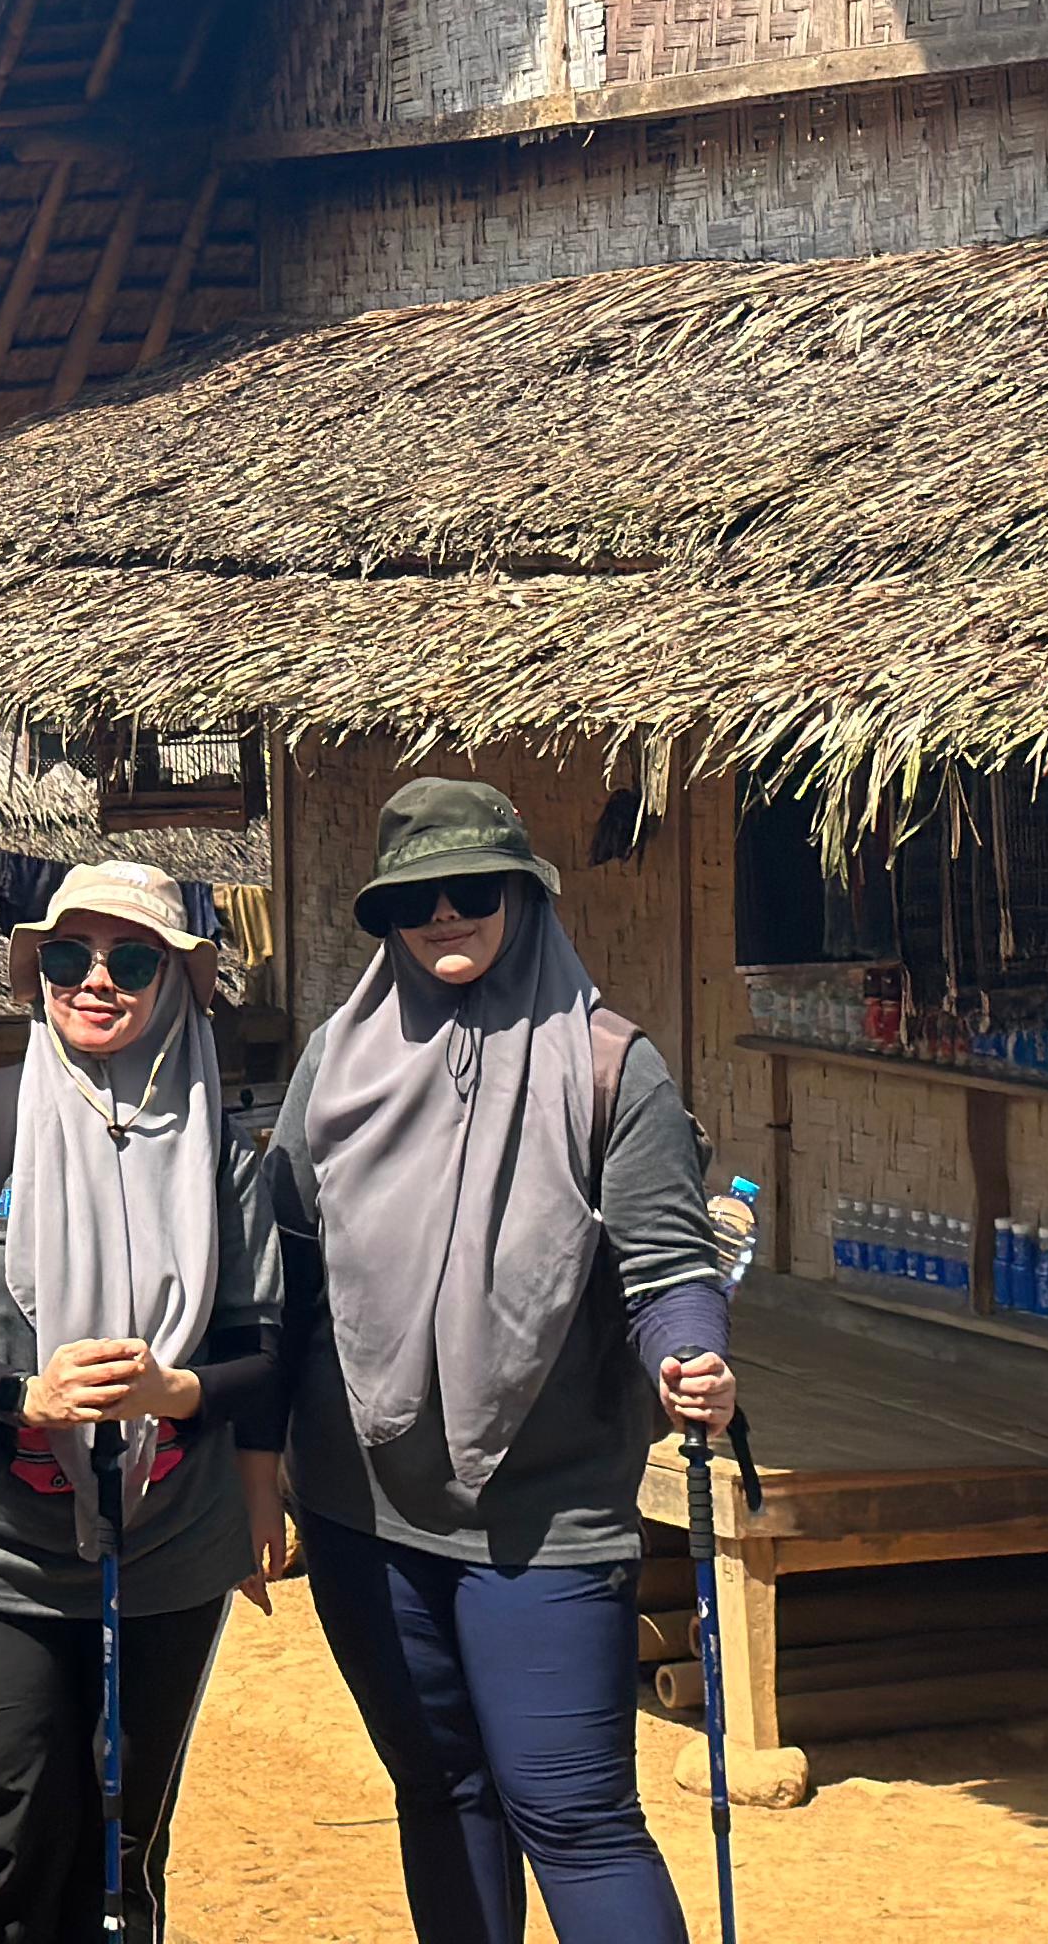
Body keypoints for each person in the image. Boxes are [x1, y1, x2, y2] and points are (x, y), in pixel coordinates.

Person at [272, 779, 742, 1944]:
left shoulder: (609, 1067)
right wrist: (244, 1458)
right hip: (359, 1504)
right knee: (439, 1792)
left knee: (573, 1813)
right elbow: (280, 1266)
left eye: (471, 889)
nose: (443, 914)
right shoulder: (335, 1064)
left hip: (545, 1510)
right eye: (412, 899)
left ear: (525, 898)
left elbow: (669, 1265)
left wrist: (692, 1356)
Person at [0, 861, 282, 1944]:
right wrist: (24, 1398)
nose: (95, 982)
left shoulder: (223, 1157)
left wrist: (176, 1390)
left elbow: (266, 1352)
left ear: (179, 986)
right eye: (68, 957)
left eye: (130, 960)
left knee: (125, 1842)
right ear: (37, 973)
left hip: (165, 1551)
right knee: (15, 1834)